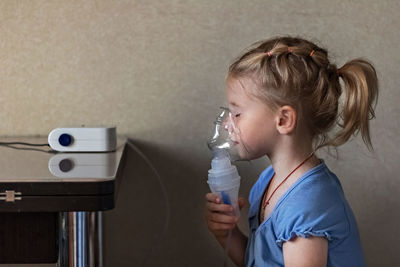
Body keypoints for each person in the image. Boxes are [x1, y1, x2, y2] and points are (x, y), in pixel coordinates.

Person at [205, 36, 378, 267]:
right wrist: (226, 234)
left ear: (284, 120)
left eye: (237, 113)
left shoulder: (306, 206)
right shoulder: (269, 181)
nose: (227, 124)